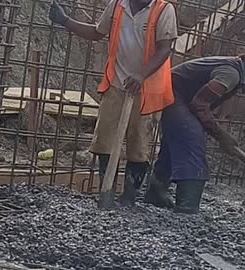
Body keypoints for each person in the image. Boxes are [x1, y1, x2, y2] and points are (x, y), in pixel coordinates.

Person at [49, 0, 178, 206]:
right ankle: (106, 192)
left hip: (147, 87)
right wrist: (65, 21)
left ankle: (129, 197)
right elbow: (97, 32)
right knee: (105, 138)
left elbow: (164, 49)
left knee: (139, 143)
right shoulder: (118, 5)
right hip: (117, 82)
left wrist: (141, 75)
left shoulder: (163, 10)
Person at [144, 56, 245, 214]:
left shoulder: (235, 68)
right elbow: (199, 104)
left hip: (176, 92)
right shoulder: (231, 74)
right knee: (192, 140)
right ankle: (187, 207)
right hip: (171, 91)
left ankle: (156, 192)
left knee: (179, 138)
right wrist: (221, 135)